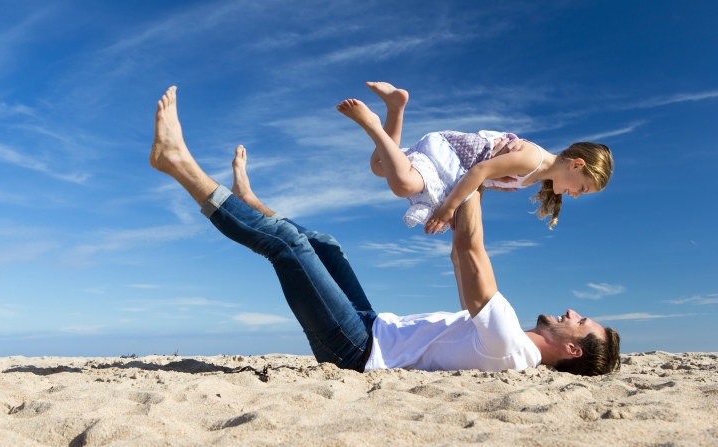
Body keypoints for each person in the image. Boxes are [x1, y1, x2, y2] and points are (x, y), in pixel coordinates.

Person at [149, 86, 621, 376]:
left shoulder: (509, 348)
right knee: (327, 246)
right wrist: (468, 188)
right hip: (373, 325)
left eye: (580, 321)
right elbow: (464, 255)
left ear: (571, 348)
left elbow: (470, 250)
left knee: (289, 247)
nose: (572, 311)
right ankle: (252, 204)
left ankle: (179, 164)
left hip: (356, 349)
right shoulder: (504, 340)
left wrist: (469, 178)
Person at [336, 82, 614, 234]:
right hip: (453, 155)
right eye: (583, 188)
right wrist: (447, 209)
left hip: (457, 167)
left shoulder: (533, 177)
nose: (576, 195)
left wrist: (458, 209)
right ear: (577, 164)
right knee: (404, 185)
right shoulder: (532, 160)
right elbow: (479, 172)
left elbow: (483, 183)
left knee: (380, 166)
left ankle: (395, 108)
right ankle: (372, 125)